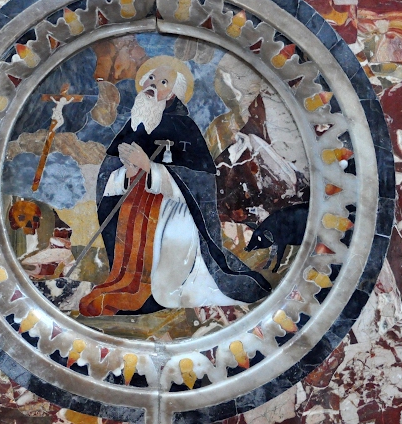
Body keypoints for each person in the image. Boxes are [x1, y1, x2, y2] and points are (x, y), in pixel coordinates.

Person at [79, 56, 271, 317]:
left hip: (175, 210)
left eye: (162, 82)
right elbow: (108, 177)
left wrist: (150, 168)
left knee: (170, 242)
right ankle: (128, 284)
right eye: (150, 77)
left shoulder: (184, 127)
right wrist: (127, 173)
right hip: (135, 210)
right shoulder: (133, 125)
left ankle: (156, 290)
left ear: (173, 93)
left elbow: (200, 181)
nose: (153, 83)